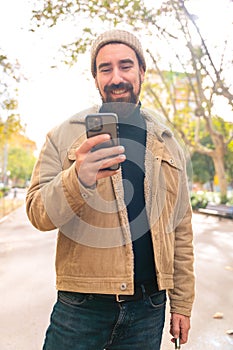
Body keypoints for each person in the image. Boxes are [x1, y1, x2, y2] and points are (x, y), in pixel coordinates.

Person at [26, 29, 195, 350]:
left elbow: (181, 226)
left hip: (150, 308)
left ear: (142, 72)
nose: (116, 77)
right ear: (95, 78)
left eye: (126, 65)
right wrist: (78, 178)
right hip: (82, 307)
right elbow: (37, 213)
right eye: (105, 68)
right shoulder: (64, 135)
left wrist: (182, 304)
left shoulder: (167, 140)